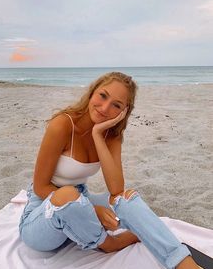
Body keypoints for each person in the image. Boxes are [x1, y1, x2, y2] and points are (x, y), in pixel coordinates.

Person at [19, 72, 200, 269]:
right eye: (103, 96)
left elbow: (116, 188)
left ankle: (182, 262)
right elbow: (40, 186)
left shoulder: (111, 135)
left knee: (126, 198)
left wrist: (97, 135)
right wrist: (91, 210)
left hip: (80, 201)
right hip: (42, 217)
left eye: (117, 105)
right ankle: (110, 244)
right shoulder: (62, 125)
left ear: (125, 110)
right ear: (92, 92)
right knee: (68, 195)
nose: (105, 108)